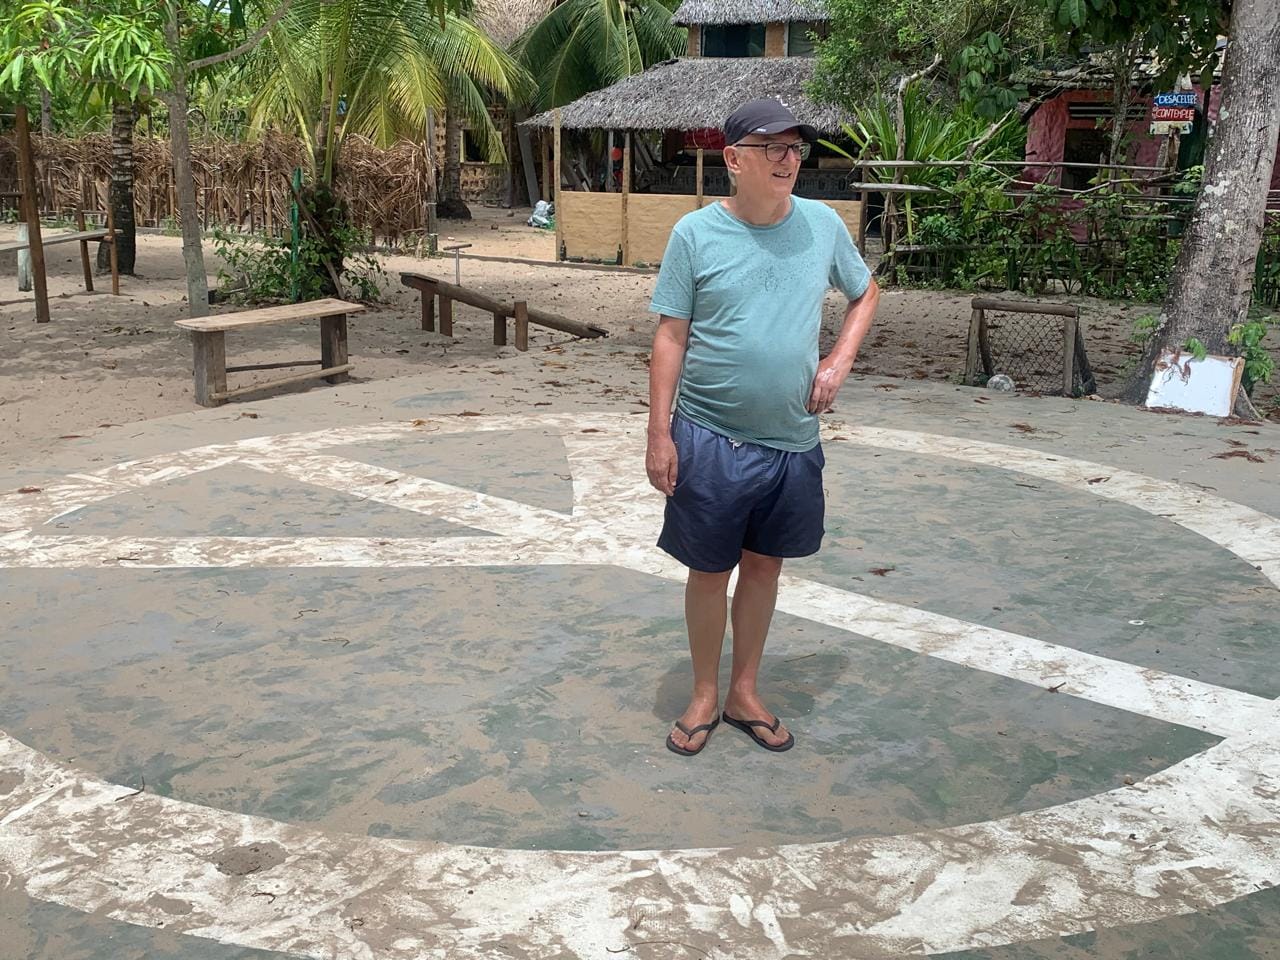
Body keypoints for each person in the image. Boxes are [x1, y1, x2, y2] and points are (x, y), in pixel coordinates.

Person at [645, 97, 881, 756]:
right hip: (709, 435)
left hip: (792, 440)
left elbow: (865, 293)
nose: (787, 159)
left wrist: (838, 360)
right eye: (771, 147)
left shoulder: (822, 225)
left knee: (764, 566)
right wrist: (659, 433)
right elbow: (670, 335)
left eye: (795, 148)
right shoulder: (695, 235)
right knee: (708, 570)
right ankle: (703, 693)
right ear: (733, 159)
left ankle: (744, 692)